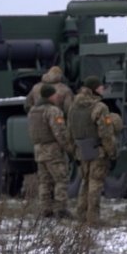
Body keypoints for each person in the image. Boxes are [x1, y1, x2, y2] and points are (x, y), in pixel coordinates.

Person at [68, 76, 119, 225]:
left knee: (85, 183)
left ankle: (81, 215)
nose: (103, 88)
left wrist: (73, 150)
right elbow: (106, 133)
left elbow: (69, 131)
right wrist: (112, 151)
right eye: (100, 86)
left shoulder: (73, 106)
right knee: (95, 184)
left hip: (82, 150)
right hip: (98, 150)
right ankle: (93, 218)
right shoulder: (99, 107)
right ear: (93, 89)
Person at [29, 84, 75, 219]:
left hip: (39, 151)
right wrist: (69, 149)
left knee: (44, 181)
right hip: (52, 151)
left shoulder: (33, 111)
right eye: (55, 95)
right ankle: (61, 209)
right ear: (50, 96)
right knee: (61, 179)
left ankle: (46, 209)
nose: (57, 97)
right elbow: (60, 132)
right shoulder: (53, 111)